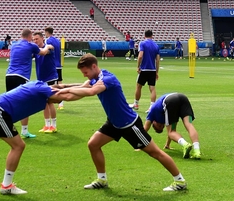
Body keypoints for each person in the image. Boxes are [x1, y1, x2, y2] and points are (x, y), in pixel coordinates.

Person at [57, 54, 187, 192]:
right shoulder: (96, 78)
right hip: (114, 123)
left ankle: (180, 181)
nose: (85, 75)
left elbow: (91, 91)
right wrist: (57, 90)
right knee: (93, 144)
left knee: (155, 153)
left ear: (94, 66)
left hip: (129, 124)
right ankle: (102, 179)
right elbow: (79, 90)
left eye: (85, 72)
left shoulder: (108, 79)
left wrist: (64, 89)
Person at [5, 29, 51, 138]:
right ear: (30, 36)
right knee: (24, 104)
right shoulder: (31, 46)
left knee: (10, 103)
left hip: (9, 76)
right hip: (21, 76)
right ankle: (24, 131)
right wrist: (48, 47)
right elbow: (43, 52)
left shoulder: (15, 45)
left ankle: (6, 128)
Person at [143, 93, 201, 159]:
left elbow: (145, 130)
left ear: (153, 123)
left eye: (157, 127)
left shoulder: (151, 114)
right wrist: (167, 145)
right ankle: (197, 151)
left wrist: (140, 146)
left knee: (171, 132)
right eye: (162, 127)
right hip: (182, 98)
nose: (161, 126)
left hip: (170, 100)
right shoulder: (163, 117)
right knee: (188, 125)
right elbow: (171, 130)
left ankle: (185, 145)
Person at [33, 30, 59, 133]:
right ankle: (47, 125)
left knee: (50, 101)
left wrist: (47, 47)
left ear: (42, 38)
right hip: (41, 79)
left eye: (37, 39)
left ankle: (54, 125)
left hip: (51, 77)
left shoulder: (48, 48)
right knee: (44, 102)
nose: (35, 41)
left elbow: (46, 51)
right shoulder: (35, 50)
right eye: (34, 39)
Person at [130, 30, 160, 112]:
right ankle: (152, 107)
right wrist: (156, 72)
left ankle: (136, 103)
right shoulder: (156, 45)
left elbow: (140, 56)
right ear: (152, 36)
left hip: (144, 69)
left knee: (139, 86)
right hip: (152, 70)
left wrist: (138, 67)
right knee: (152, 88)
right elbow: (157, 60)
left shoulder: (142, 43)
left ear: (145, 35)